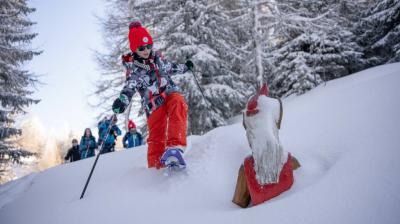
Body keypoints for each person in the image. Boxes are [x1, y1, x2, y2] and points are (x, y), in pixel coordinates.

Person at [112, 21, 193, 169]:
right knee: (157, 134)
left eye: (149, 45)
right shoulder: (134, 70)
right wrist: (122, 100)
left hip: (169, 92)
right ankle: (155, 169)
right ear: (134, 49)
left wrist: (185, 67)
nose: (146, 50)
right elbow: (129, 88)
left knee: (178, 102)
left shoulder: (159, 60)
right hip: (152, 103)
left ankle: (175, 148)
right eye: (141, 47)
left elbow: (172, 67)